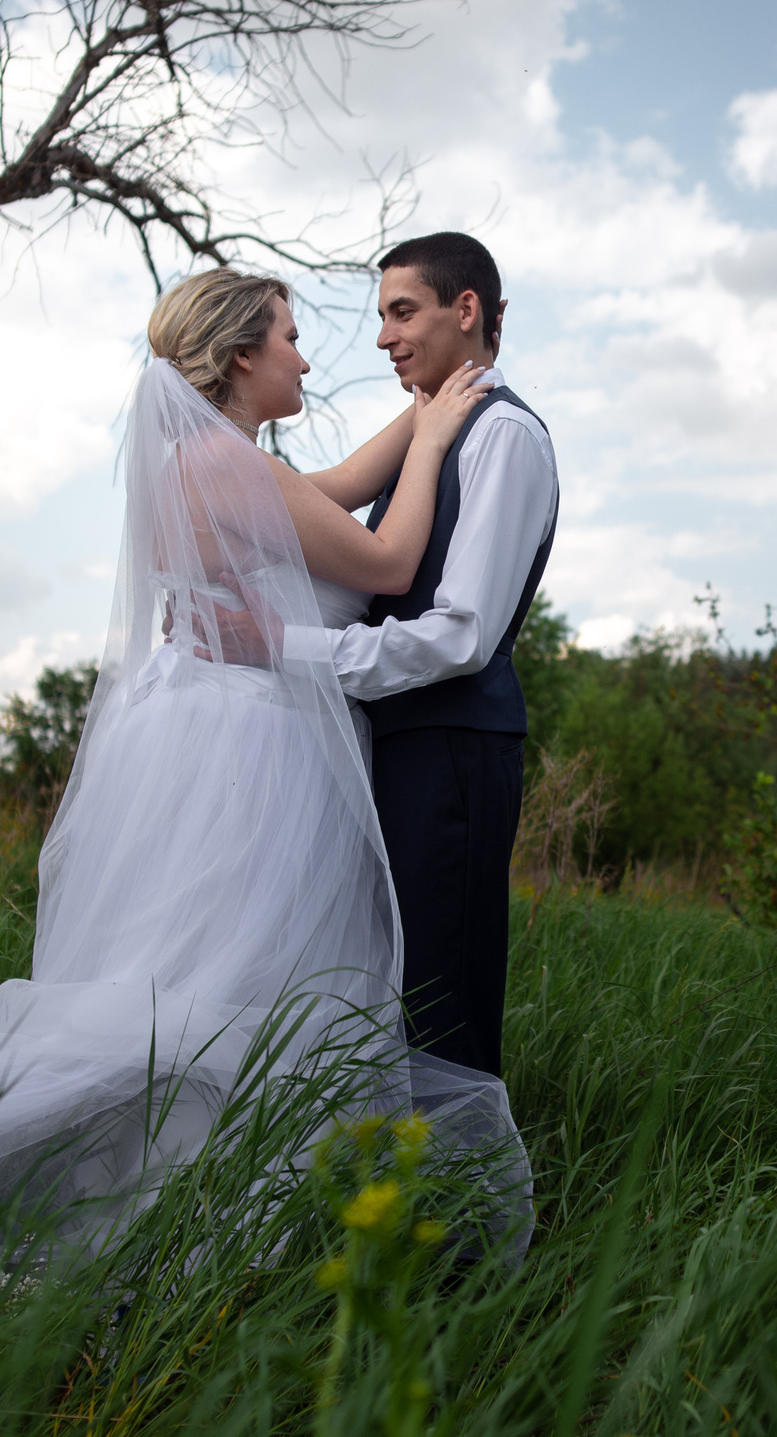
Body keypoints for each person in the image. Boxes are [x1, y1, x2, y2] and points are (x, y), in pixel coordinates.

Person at [0, 266, 526, 1258]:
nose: (305, 359)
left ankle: (180, 1174)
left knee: (202, 971)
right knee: (234, 976)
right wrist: (429, 442)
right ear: (242, 355)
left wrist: (429, 400)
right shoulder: (226, 465)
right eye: (290, 338)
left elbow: (337, 489)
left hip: (203, 732)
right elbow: (384, 563)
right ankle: (175, 1196)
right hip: (253, 745)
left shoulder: (209, 461)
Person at [282, 233, 559, 1079]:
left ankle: (462, 1170)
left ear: (466, 309)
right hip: (398, 744)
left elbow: (460, 636)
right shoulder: (432, 431)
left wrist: (290, 651)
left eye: (402, 312)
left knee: (442, 1006)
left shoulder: (502, 436)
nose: (383, 337)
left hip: (452, 751)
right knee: (390, 993)